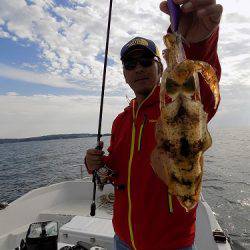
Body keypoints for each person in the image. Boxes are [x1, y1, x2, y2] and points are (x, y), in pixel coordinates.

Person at [85, 0, 223, 249]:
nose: (138, 69)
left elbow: (200, 89)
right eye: (130, 65)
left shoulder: (175, 104)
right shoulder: (121, 121)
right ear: (125, 75)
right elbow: (116, 169)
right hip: (124, 239)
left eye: (146, 61)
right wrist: (96, 164)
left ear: (160, 68)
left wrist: (196, 44)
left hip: (170, 243)